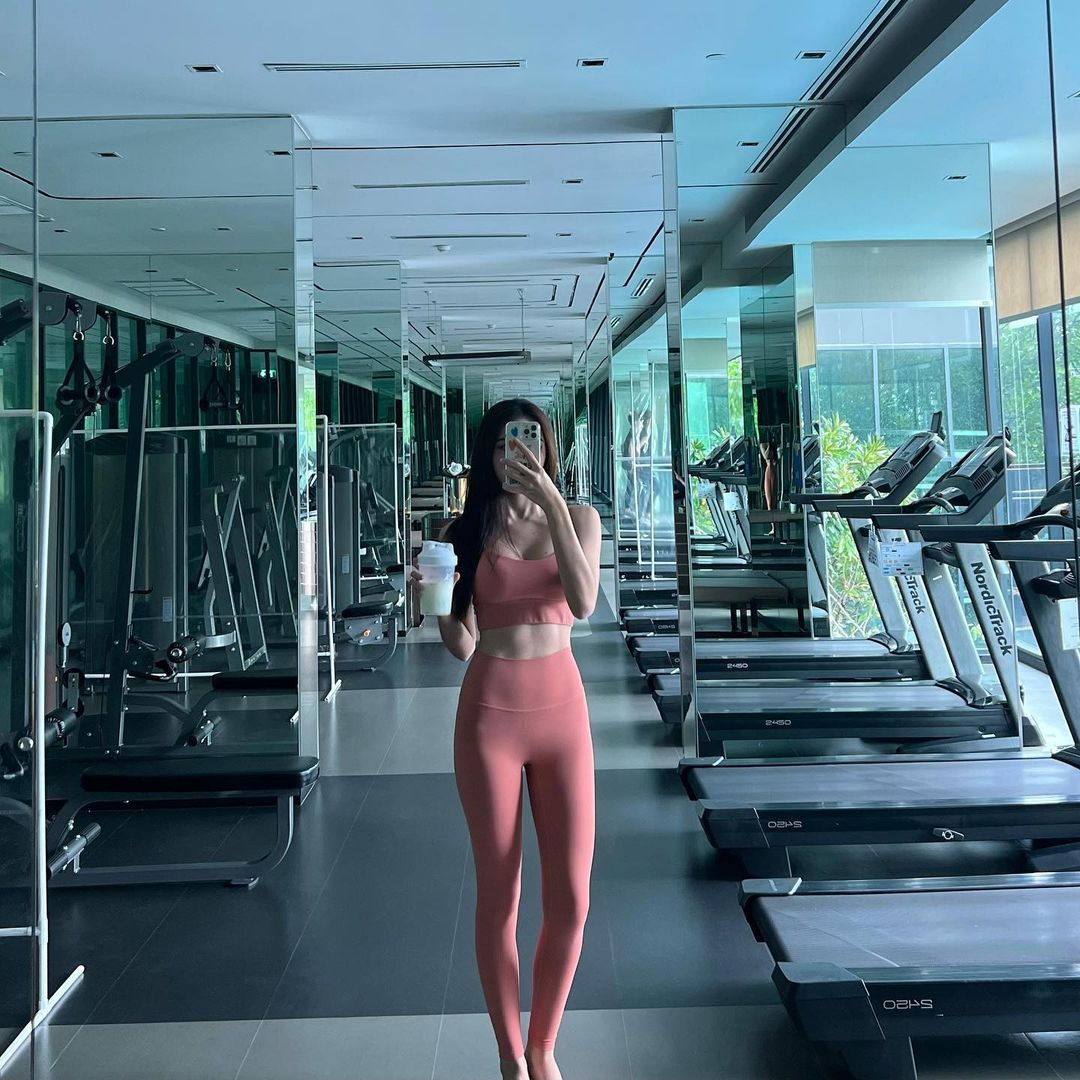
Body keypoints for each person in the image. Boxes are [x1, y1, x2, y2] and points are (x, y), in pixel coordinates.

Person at [411, 398, 601, 1080]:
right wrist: (434, 600)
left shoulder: (580, 518)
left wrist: (550, 502)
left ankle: (544, 1045)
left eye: (527, 440)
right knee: (501, 894)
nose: (514, 453)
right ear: (486, 455)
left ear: (547, 447)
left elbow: (583, 602)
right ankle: (510, 1057)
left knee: (572, 898)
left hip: (563, 715)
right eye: (501, 444)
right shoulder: (463, 529)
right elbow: (462, 645)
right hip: (490, 714)